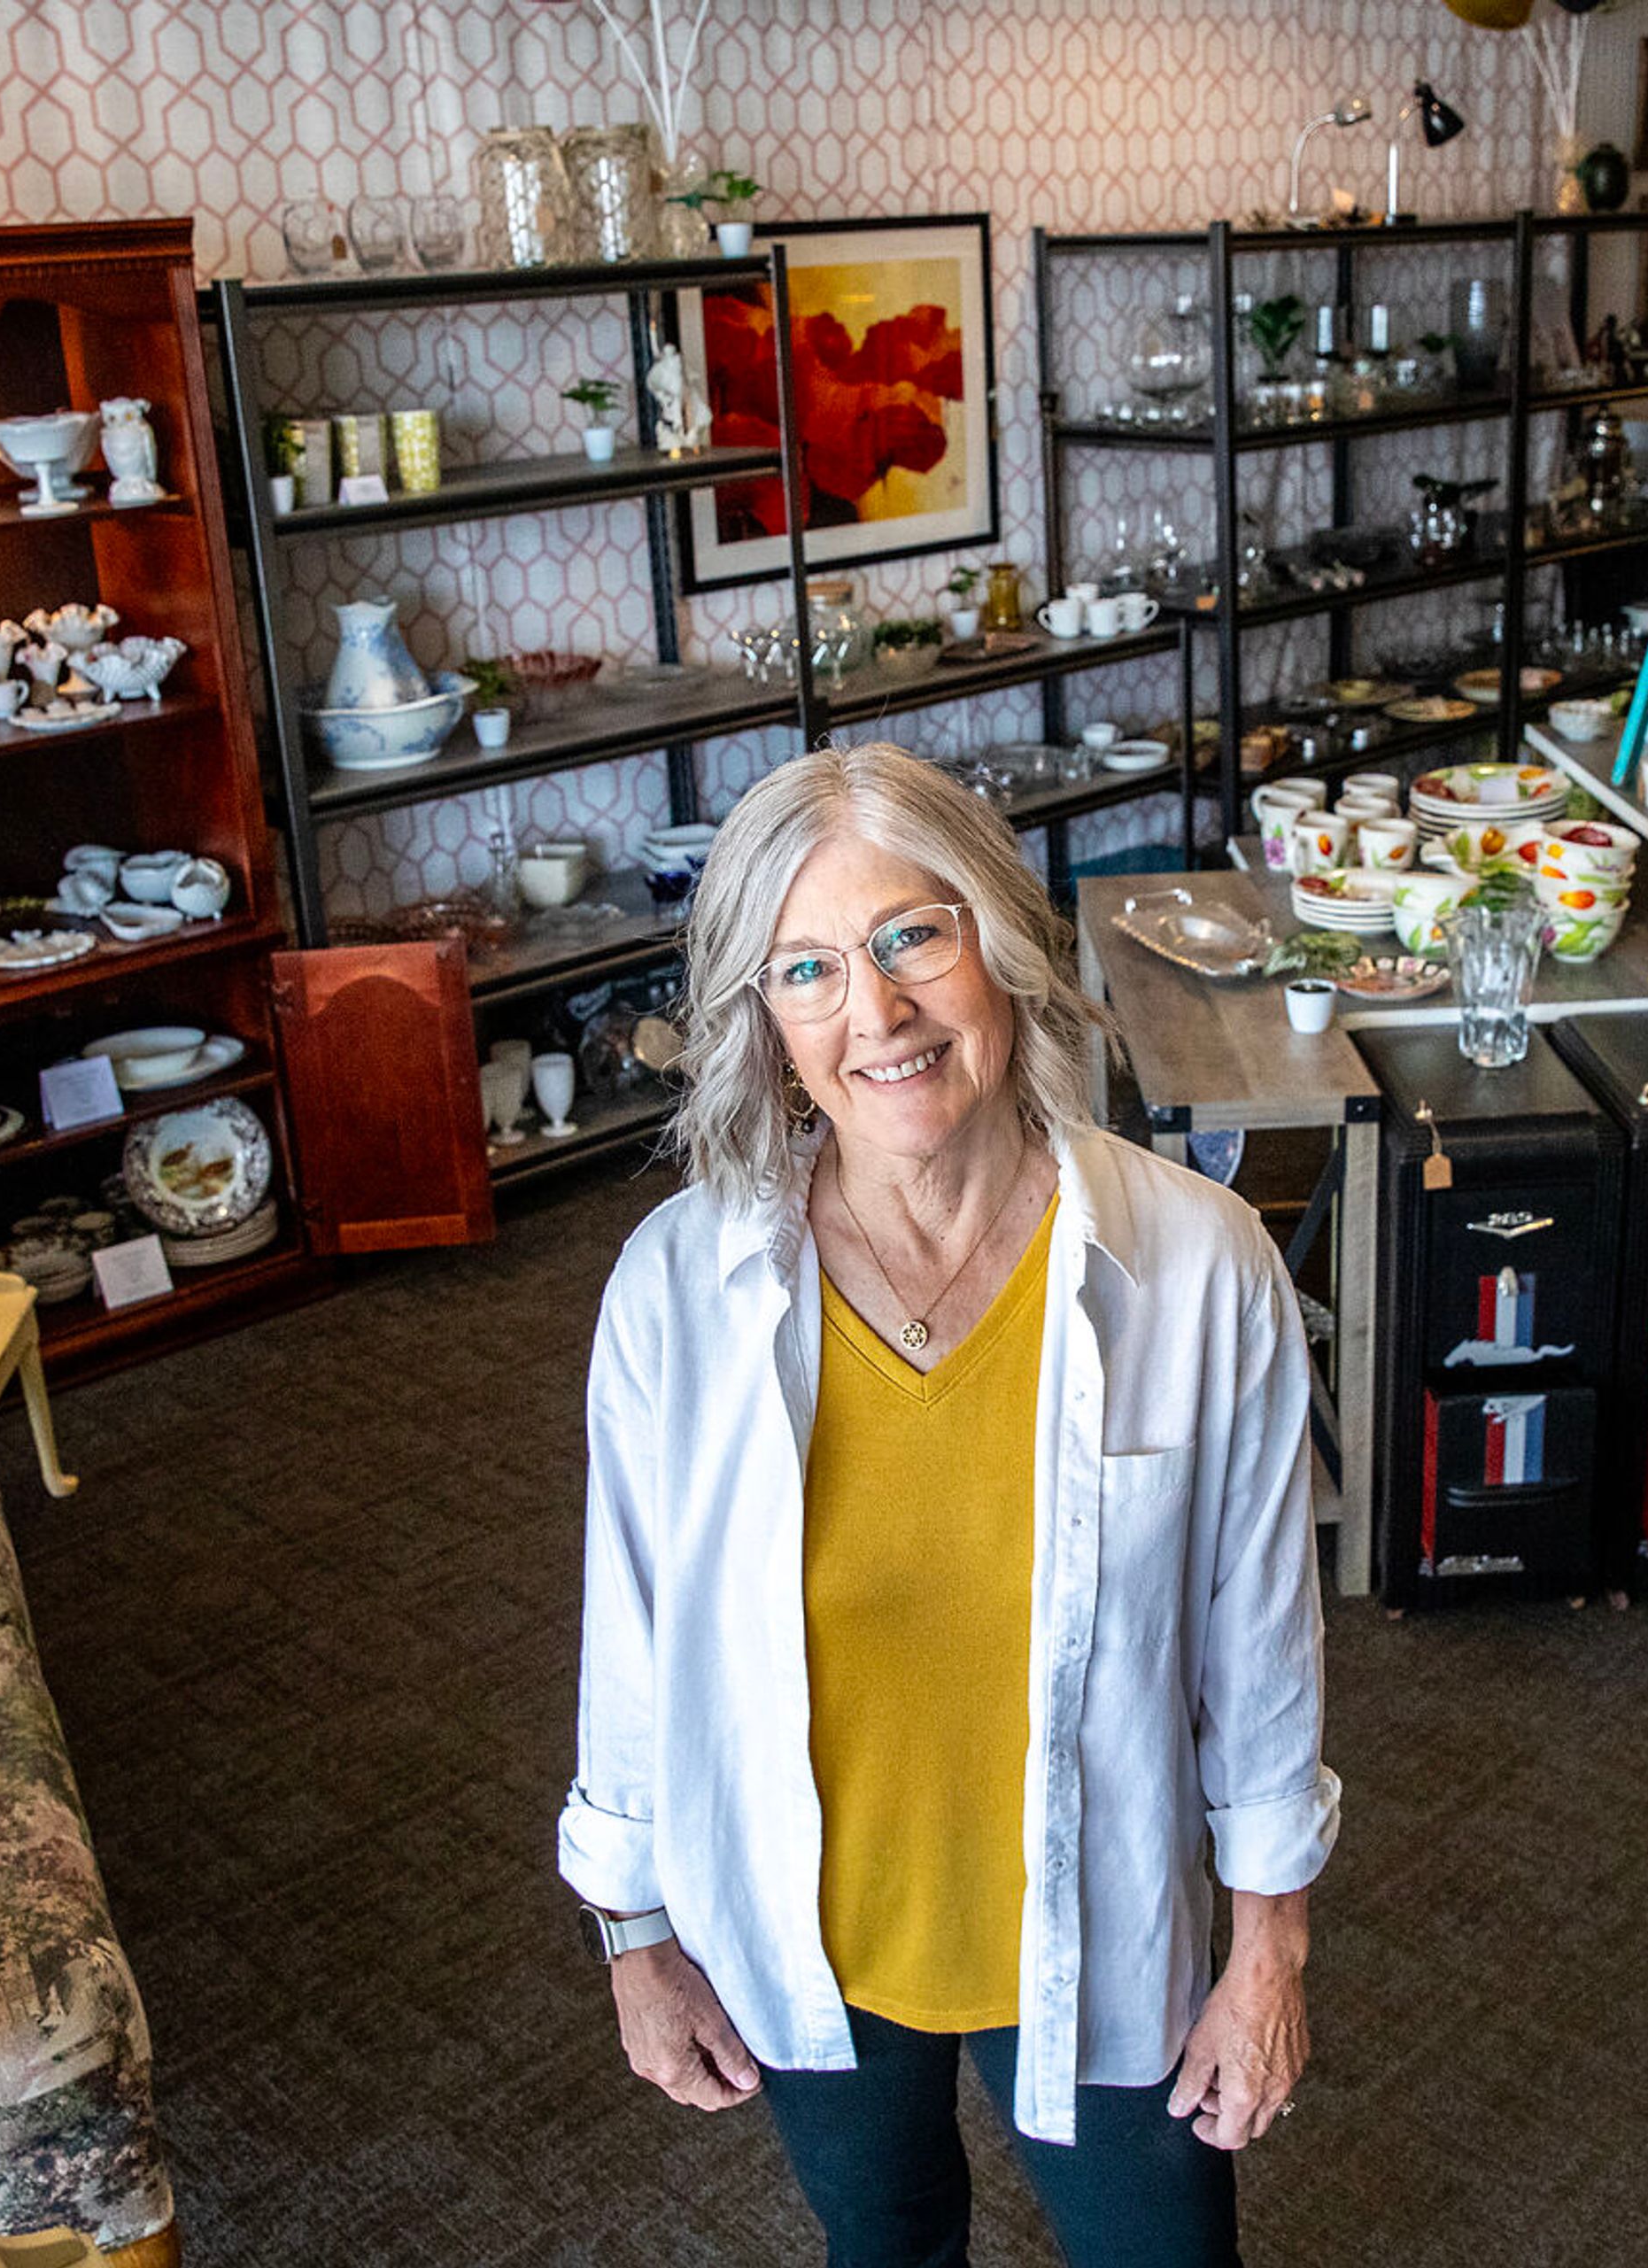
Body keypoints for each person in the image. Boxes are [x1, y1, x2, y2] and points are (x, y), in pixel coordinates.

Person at [559, 742, 1339, 2265]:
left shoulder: (1198, 1263)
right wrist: (636, 1934)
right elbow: (631, 1631)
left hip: (1108, 1924)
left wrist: (1269, 1951)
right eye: (809, 968)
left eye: (914, 934)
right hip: (805, 1930)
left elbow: (1262, 1652)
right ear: (763, 1018)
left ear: (1000, 938)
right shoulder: (679, 1288)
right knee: (890, 2244)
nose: (878, 1014)